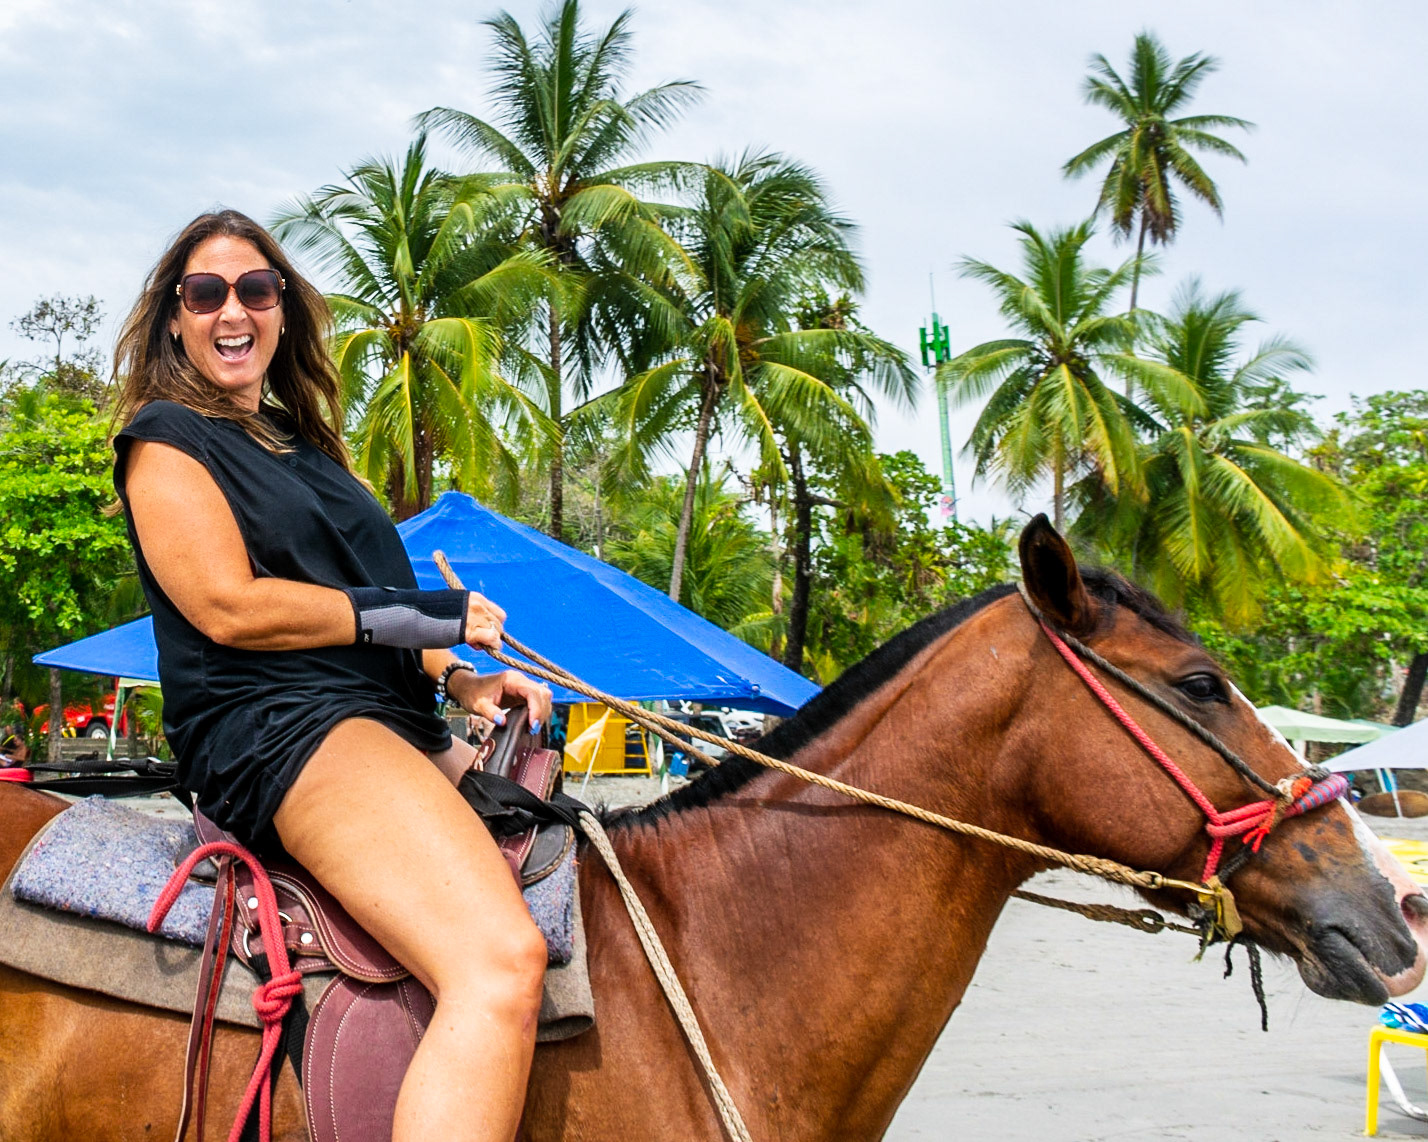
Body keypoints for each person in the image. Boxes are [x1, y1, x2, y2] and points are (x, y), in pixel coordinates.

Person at [111, 209, 552, 1142]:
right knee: (498, 960)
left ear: (281, 310)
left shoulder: (304, 447)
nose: (233, 309)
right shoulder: (166, 438)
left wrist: (459, 678)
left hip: (379, 717)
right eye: (206, 293)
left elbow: (372, 590)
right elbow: (230, 604)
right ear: (177, 319)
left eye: (255, 290)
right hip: (276, 726)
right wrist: (430, 619)